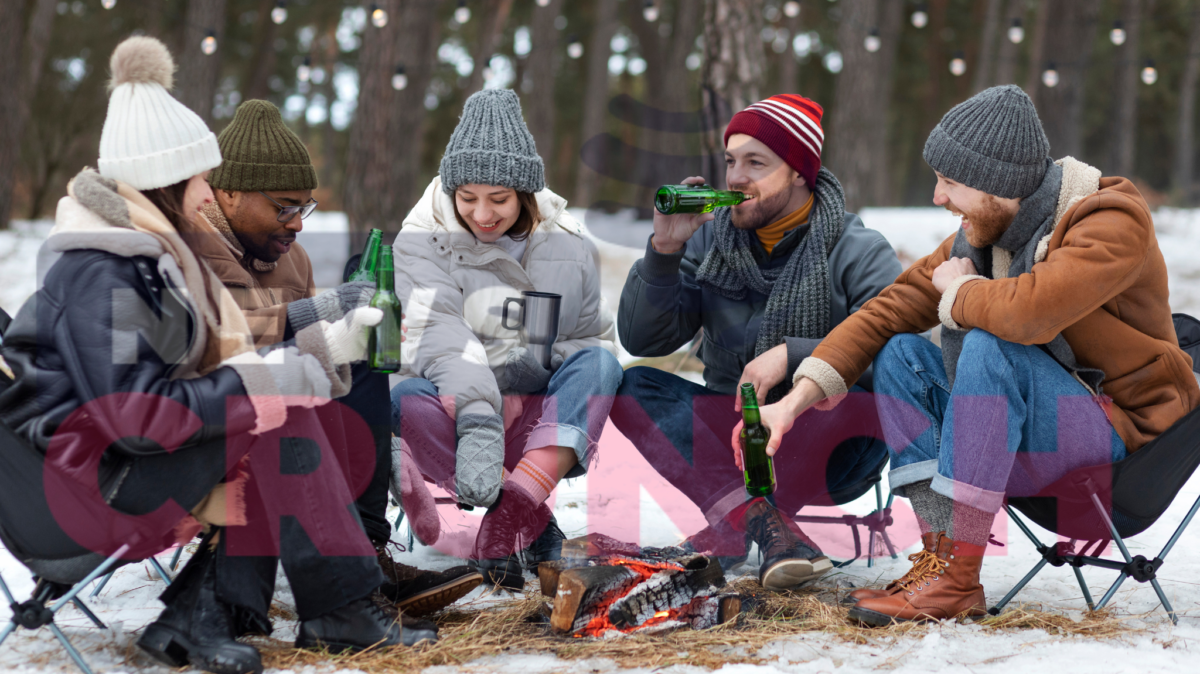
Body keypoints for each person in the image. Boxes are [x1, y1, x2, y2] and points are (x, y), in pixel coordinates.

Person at [0, 37, 429, 674]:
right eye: (202, 177)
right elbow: (138, 418)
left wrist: (318, 351)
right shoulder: (102, 271)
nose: (210, 194)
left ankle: (206, 618)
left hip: (102, 472)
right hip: (83, 496)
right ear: (165, 182)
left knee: (271, 412)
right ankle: (330, 607)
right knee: (275, 418)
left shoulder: (139, 259)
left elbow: (200, 360)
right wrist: (273, 383)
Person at [746, 85, 1200, 624]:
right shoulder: (983, 236)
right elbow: (883, 313)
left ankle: (959, 578)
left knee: (991, 343)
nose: (938, 197)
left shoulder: (1111, 220)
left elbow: (1031, 314)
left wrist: (957, 294)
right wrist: (795, 399)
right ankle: (941, 560)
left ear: (998, 184)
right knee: (901, 352)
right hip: (1039, 427)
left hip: (1123, 449)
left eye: (950, 182)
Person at [189, 98, 481, 623]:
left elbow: (322, 348)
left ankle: (368, 554)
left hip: (285, 414)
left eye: (305, 207)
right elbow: (213, 338)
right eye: (283, 207)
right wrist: (316, 313)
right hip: (214, 426)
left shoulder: (289, 255)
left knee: (364, 351)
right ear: (227, 193)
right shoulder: (193, 246)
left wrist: (377, 437)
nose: (297, 223)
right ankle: (349, 586)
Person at [609, 94, 901, 590]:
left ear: (798, 174)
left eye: (756, 162)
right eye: (730, 161)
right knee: (630, 387)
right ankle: (770, 526)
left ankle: (733, 520)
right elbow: (643, 338)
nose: (736, 177)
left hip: (823, 440)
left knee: (866, 405)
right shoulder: (708, 241)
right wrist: (664, 250)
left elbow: (898, 356)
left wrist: (797, 355)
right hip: (734, 439)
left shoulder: (856, 248)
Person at [391, 89, 623, 590]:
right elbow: (439, 335)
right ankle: (533, 521)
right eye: (467, 197)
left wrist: (528, 373)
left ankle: (510, 512)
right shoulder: (421, 238)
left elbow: (590, 338)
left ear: (525, 194)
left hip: (536, 407)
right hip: (456, 406)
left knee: (602, 368)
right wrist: (487, 402)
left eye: (498, 199)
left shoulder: (568, 241)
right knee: (403, 398)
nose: (482, 214)